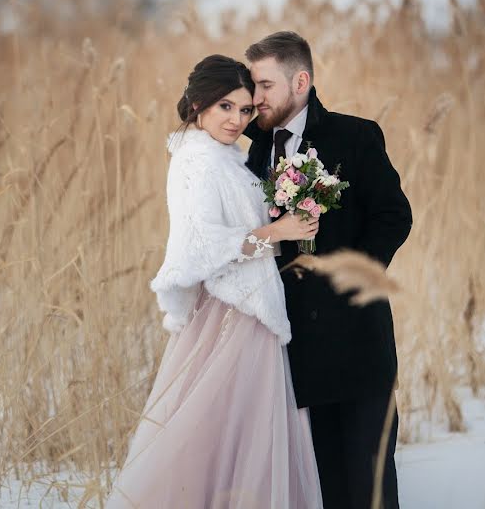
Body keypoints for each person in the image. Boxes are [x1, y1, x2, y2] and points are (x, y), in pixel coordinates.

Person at [107, 54, 323, 508]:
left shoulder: (226, 156)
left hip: (251, 305)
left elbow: (243, 233)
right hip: (231, 312)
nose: (236, 120)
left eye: (245, 110)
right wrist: (277, 233)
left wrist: (290, 216)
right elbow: (205, 244)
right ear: (199, 103)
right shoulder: (197, 161)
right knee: (216, 432)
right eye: (225, 107)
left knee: (238, 432)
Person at [243, 31, 413, 509]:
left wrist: (353, 275)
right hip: (293, 354)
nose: (255, 99)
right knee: (323, 489)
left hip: (358, 345)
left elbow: (394, 216)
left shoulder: (354, 136)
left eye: (265, 86)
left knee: (370, 487)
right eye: (252, 86)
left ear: (301, 80)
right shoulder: (250, 152)